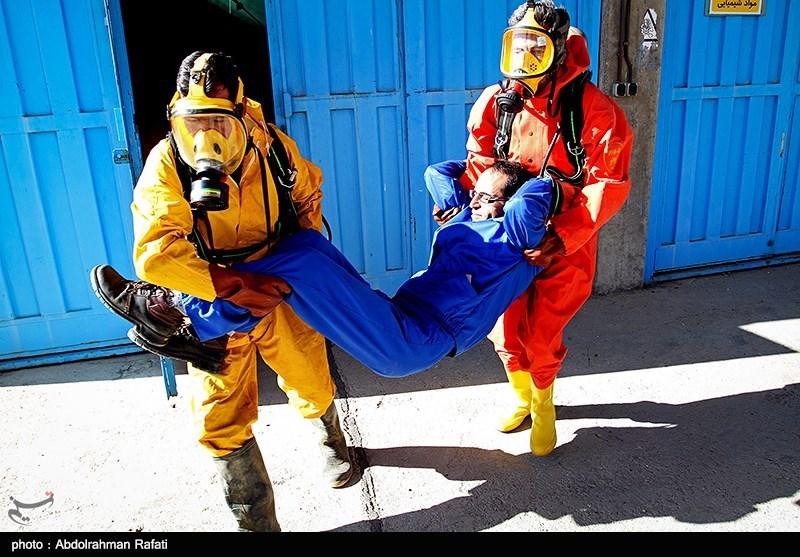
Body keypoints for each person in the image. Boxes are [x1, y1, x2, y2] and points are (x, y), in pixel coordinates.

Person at [91, 51, 353, 532]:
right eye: (194, 124)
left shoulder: (271, 146)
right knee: (218, 416)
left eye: (219, 123)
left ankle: (330, 438)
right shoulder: (168, 161)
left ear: (240, 111)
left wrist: (300, 266)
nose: (206, 138)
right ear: (177, 118)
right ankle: (256, 522)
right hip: (209, 294)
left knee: (311, 377)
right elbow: (155, 252)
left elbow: (307, 195)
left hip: (278, 287)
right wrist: (232, 286)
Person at [94, 159, 553, 380]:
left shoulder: (515, 239)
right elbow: (438, 173)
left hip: (415, 340)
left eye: (484, 198)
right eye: (474, 194)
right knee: (306, 244)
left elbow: (536, 198)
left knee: (305, 264)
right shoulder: (469, 215)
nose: (472, 201)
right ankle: (208, 332)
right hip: (400, 314)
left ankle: (185, 312)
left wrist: (539, 179)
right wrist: (480, 177)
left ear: (510, 203)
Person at [436, 1, 634, 457]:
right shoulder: (496, 102)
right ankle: (522, 398)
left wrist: (562, 237)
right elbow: (480, 163)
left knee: (542, 335)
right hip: (505, 238)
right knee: (504, 330)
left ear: (559, 50)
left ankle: (544, 405)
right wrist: (464, 207)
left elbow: (608, 183)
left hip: (562, 241)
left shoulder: (594, 110)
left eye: (536, 48)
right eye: (518, 46)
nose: (525, 58)